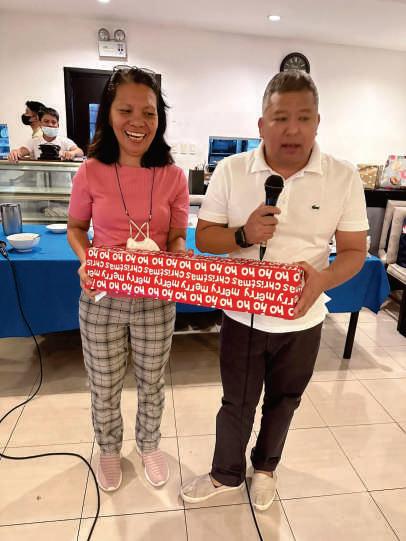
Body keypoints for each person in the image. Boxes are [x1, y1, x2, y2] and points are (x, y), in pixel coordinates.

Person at [181, 70, 368, 510]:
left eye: (304, 118)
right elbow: (205, 238)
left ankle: (265, 468)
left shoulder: (342, 176)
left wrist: (323, 280)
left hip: (304, 317)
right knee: (236, 402)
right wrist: (243, 235)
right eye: (281, 118)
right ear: (262, 124)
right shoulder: (232, 170)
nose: (292, 129)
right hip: (241, 314)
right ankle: (225, 473)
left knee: (285, 401)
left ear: (318, 122)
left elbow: (355, 251)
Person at [67, 66, 189, 492]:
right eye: (126, 110)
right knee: (104, 384)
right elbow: (76, 229)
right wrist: (87, 259)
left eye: (149, 112)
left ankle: (149, 445)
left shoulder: (173, 176)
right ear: (109, 114)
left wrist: (178, 253)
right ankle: (108, 449)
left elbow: (176, 235)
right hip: (102, 297)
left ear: (160, 118)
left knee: (152, 382)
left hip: (156, 298)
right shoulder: (90, 171)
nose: (138, 121)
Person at [8, 107, 83, 162]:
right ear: (40, 124)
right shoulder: (34, 141)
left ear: (58, 125)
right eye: (46, 121)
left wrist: (72, 153)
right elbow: (20, 151)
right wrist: (15, 152)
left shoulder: (65, 141)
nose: (50, 124)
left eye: (53, 122)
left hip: (61, 179)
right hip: (41, 178)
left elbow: (80, 151)